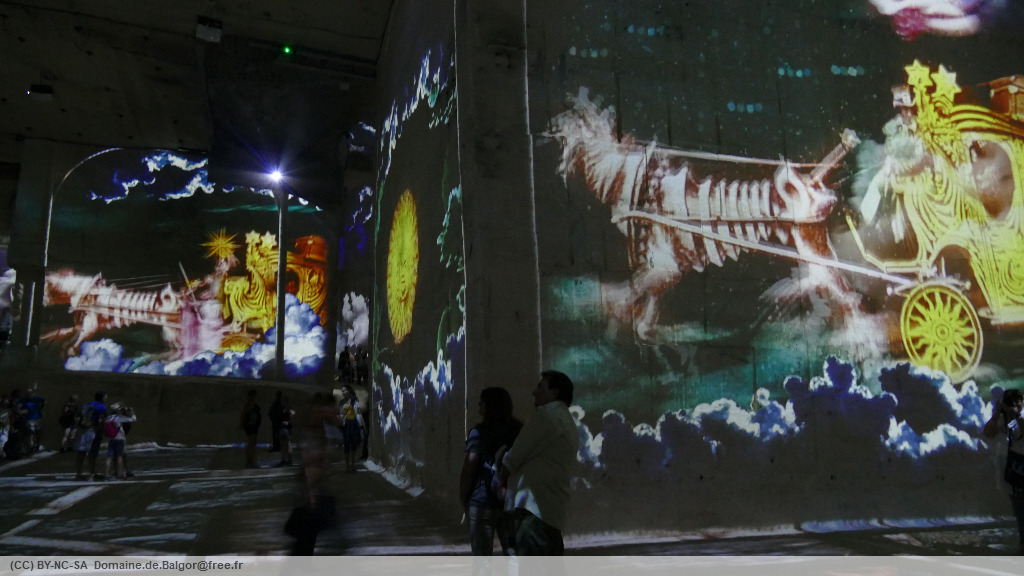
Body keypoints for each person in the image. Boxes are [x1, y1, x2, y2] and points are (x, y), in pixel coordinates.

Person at [499, 370, 578, 556]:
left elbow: (515, 455)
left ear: (555, 392)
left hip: (532, 510)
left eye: (541, 387)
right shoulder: (567, 421)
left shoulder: (545, 415)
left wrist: (500, 477)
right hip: (552, 511)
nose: (534, 392)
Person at [460, 387, 523, 555]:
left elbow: (469, 467)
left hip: (482, 501)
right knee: (514, 555)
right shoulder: (519, 431)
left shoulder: (479, 433)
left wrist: (464, 496)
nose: (479, 404)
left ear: (490, 405)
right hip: (512, 501)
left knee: (482, 559)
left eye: (482, 401)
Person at [983, 388, 1024, 554]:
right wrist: (996, 415)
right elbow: (988, 432)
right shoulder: (1001, 418)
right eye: (1011, 403)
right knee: (1018, 507)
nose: (1015, 406)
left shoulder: (1022, 416)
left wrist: (1017, 415)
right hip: (1010, 470)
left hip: (1021, 465)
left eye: (1018, 403)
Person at [75, 391, 108, 480]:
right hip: (93, 431)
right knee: (92, 453)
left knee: (81, 452)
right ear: (102, 397)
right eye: (105, 396)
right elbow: (101, 420)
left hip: (83, 430)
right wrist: (102, 430)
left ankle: (78, 473)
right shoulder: (101, 407)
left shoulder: (87, 404)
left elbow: (77, 417)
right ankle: (92, 473)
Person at [103, 403, 136, 480]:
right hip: (120, 439)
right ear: (118, 410)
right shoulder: (119, 417)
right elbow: (133, 419)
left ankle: (106, 474)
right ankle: (120, 474)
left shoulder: (108, 418)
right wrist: (132, 412)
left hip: (111, 439)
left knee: (109, 457)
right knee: (119, 456)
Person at [338, 385, 363, 473]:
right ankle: (347, 466)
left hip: (354, 423)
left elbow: (358, 413)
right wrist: (342, 419)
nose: (343, 392)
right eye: (342, 391)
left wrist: (361, 424)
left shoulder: (354, 400)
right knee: (346, 445)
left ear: (349, 391)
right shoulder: (342, 402)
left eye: (344, 390)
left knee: (353, 445)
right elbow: (341, 413)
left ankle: (353, 464)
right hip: (346, 424)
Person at [240, 389, 261, 469]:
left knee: (252, 443)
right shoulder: (249, 405)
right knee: (251, 443)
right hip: (251, 426)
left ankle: (250, 461)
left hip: (253, 426)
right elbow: (243, 415)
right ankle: (250, 462)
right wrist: (242, 424)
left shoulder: (252, 405)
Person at [275, 394, 295, 467]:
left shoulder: (289, 408)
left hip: (286, 428)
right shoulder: (283, 408)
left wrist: (288, 422)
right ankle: (285, 460)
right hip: (282, 428)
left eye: (284, 400)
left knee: (287, 444)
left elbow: (293, 415)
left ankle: (289, 460)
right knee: (283, 444)